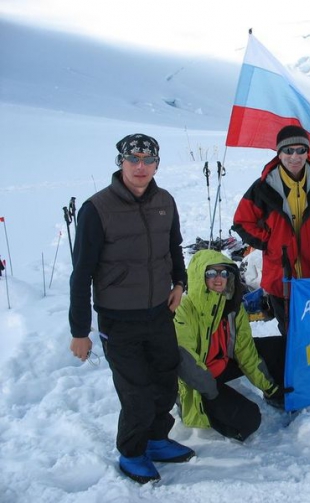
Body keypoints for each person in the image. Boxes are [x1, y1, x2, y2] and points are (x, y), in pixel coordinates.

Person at [68, 133, 194, 484]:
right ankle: (132, 452)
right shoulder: (97, 209)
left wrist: (180, 284)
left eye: (148, 160)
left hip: (159, 312)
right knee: (136, 391)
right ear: (121, 162)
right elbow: (81, 275)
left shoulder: (165, 201)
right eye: (133, 159)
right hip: (119, 318)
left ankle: (156, 439)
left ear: (156, 164)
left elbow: (175, 248)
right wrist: (80, 331)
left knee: (165, 380)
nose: (141, 167)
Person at [232, 125, 310, 347]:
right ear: (279, 152)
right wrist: (268, 241)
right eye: (288, 150)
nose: (295, 156)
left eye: (300, 150)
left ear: (307, 152)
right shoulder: (263, 187)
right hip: (280, 278)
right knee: (290, 333)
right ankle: (297, 377)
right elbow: (241, 221)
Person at [174, 249, 285, 442]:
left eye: (223, 273)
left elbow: (245, 351)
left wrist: (270, 387)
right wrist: (213, 394)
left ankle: (280, 395)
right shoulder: (184, 310)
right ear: (199, 276)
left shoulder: (233, 307)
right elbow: (187, 363)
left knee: (279, 346)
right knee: (249, 420)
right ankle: (197, 408)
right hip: (200, 382)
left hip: (223, 364)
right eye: (211, 273)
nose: (218, 279)